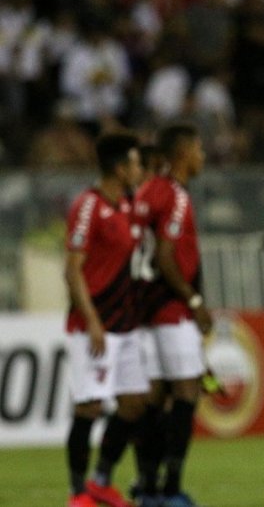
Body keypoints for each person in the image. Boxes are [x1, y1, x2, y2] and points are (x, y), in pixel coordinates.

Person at [133, 124, 212, 507]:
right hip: (172, 309)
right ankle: (171, 487)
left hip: (143, 310)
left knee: (154, 397)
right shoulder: (176, 196)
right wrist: (194, 301)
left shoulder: (146, 190)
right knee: (185, 392)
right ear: (182, 153)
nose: (202, 156)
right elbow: (165, 256)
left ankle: (147, 486)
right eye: (198, 148)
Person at [64, 133, 145, 507]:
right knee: (90, 407)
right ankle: (78, 492)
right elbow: (73, 269)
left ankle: (101, 480)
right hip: (94, 326)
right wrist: (92, 319)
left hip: (125, 324)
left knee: (133, 402)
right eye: (135, 164)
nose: (139, 170)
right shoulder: (88, 205)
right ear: (119, 168)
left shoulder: (129, 205)